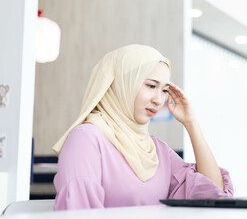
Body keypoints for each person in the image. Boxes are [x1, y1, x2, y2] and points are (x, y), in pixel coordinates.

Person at [52, 44, 233, 210]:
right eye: (151, 85)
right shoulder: (86, 139)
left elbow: (214, 195)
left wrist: (191, 123)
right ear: (122, 84)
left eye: (164, 90)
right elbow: (79, 212)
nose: (158, 99)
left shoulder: (157, 150)